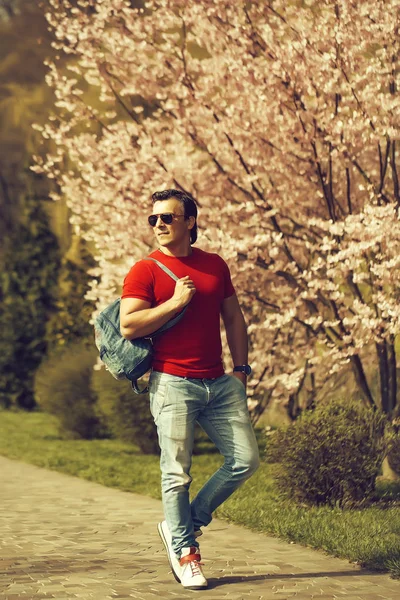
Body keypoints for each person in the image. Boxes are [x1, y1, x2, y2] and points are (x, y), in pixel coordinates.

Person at [120, 189, 260, 590]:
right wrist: (175, 302)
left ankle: (183, 524)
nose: (159, 225)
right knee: (176, 473)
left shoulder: (215, 266)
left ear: (190, 222)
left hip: (220, 382)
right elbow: (130, 324)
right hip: (172, 384)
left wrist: (241, 370)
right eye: (154, 219)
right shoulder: (144, 270)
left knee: (245, 461)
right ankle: (186, 552)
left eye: (167, 217)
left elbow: (234, 317)